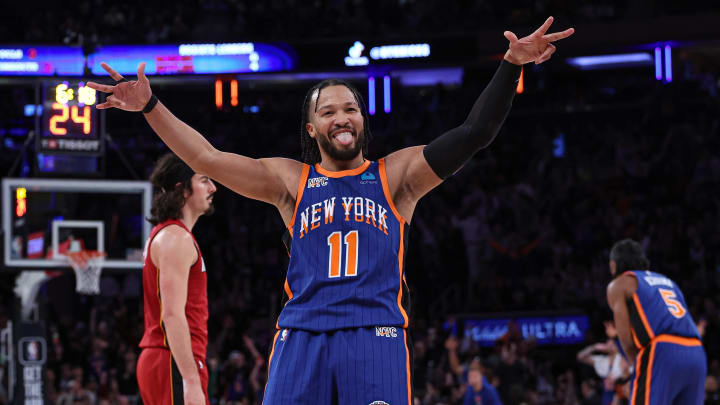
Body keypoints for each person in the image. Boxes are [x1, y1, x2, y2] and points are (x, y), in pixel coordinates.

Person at [88, 17, 573, 404]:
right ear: (313, 128)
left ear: (362, 120)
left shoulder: (397, 176)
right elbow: (206, 159)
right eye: (328, 112)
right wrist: (151, 105)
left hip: (375, 332)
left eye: (351, 109)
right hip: (301, 334)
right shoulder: (290, 181)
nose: (342, 117)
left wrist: (511, 64)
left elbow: (473, 134)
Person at [136, 153, 217, 405]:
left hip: (170, 359)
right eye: (204, 180)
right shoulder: (176, 239)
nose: (213, 187)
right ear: (182, 190)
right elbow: (172, 315)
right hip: (172, 359)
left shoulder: (169, 235)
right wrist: (191, 380)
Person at [606, 239, 707, 405]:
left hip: (662, 349)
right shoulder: (669, 282)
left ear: (613, 264)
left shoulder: (619, 284)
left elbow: (626, 340)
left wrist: (638, 368)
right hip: (696, 351)